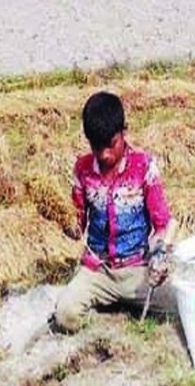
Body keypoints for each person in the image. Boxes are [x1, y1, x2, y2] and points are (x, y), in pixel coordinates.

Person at [53, 91, 175, 332]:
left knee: (180, 303)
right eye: (97, 148)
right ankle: (109, 309)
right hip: (98, 271)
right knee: (65, 316)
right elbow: (76, 226)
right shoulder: (83, 170)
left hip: (138, 271)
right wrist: (58, 214)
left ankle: (125, 303)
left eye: (111, 145)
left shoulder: (143, 167)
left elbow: (164, 225)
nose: (105, 155)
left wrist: (160, 255)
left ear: (123, 132)